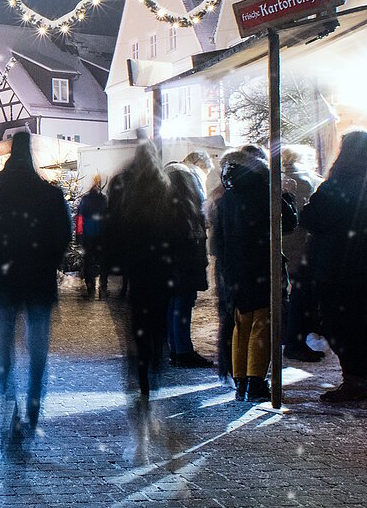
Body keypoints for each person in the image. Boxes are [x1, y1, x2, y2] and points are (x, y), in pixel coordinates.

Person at [0, 132, 71, 458]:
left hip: (2, 283)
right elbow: (63, 239)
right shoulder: (50, 195)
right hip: (38, 282)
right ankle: (33, 409)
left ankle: (10, 421)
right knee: (38, 353)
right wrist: (46, 257)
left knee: (3, 356)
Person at [299, 130, 367, 403]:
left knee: (336, 324)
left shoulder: (334, 188)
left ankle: (354, 381)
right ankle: (358, 380)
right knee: (357, 323)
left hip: (335, 270)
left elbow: (310, 219)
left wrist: (305, 208)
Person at [211, 150, 296, 402]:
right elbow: (290, 223)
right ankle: (256, 381)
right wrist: (286, 199)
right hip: (262, 264)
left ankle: (240, 381)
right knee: (264, 322)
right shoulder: (266, 191)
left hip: (234, 269)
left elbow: (219, 238)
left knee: (241, 323)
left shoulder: (226, 196)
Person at [105, 144, 178, 407]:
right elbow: (175, 227)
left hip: (134, 262)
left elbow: (112, 225)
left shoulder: (125, 186)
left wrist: (114, 262)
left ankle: (139, 364)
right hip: (160, 263)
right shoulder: (164, 186)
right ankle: (155, 359)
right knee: (158, 317)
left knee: (137, 315)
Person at [164, 153, 214, 368]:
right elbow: (195, 213)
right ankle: (183, 350)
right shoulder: (187, 175)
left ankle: (176, 348)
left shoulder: (168, 173)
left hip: (170, 248)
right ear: (199, 164)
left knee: (175, 298)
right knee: (183, 298)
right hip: (185, 249)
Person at [279, 146, 325, 362]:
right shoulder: (307, 179)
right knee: (301, 294)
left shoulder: (278, 179)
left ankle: (287, 337)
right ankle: (296, 341)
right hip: (303, 244)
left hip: (283, 244)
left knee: (288, 293)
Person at [75, 174, 110, 300]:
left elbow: (79, 218)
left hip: (88, 236)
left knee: (88, 262)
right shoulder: (104, 200)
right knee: (103, 263)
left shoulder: (85, 200)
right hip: (101, 236)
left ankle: (90, 288)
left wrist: (79, 234)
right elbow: (108, 219)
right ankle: (103, 288)